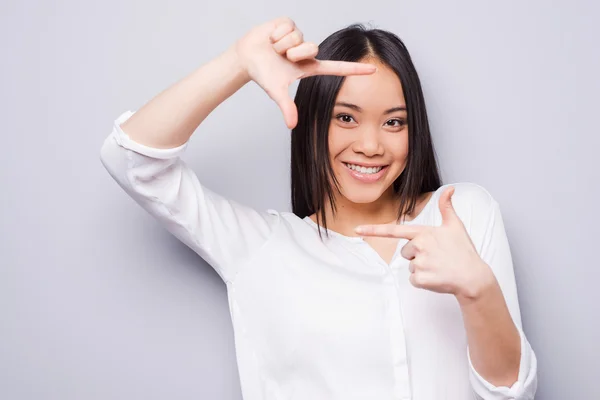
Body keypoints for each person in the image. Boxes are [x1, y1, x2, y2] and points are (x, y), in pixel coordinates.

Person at [100, 17, 537, 400]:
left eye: (394, 121)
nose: (370, 145)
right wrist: (237, 62)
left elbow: (512, 394)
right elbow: (131, 160)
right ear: (312, 122)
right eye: (346, 117)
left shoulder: (460, 215)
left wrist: (479, 289)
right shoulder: (260, 247)